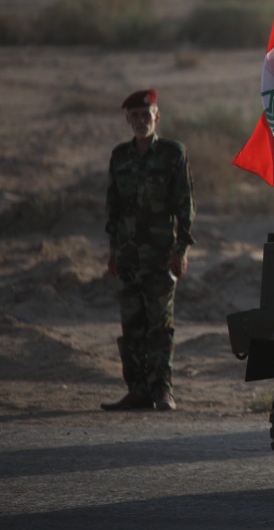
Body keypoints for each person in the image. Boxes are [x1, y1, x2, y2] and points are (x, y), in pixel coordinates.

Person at [102, 89, 195, 411]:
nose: (141, 121)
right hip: (127, 256)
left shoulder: (172, 153)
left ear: (157, 117)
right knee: (131, 327)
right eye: (135, 116)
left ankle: (162, 390)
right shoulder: (120, 157)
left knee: (160, 326)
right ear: (128, 120)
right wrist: (113, 251)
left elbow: (185, 205)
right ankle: (137, 390)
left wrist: (181, 249)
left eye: (147, 115)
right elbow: (113, 208)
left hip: (160, 255)